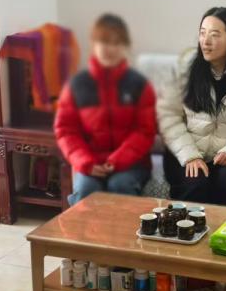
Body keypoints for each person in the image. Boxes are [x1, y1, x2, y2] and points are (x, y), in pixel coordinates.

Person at [157, 6, 226, 206]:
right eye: (202, 33)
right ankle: (184, 225)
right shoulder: (184, 69)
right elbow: (168, 117)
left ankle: (224, 227)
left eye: (214, 35)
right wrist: (190, 156)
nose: (205, 41)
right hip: (185, 151)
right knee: (196, 183)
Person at [55, 14, 156, 205]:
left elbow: (145, 131)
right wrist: (86, 162)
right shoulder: (77, 85)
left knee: (120, 185)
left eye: (117, 43)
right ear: (94, 43)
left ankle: (126, 226)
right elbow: (66, 131)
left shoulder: (139, 85)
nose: (110, 48)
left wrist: (117, 160)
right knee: (86, 190)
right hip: (89, 163)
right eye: (104, 41)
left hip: (131, 164)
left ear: (125, 46)